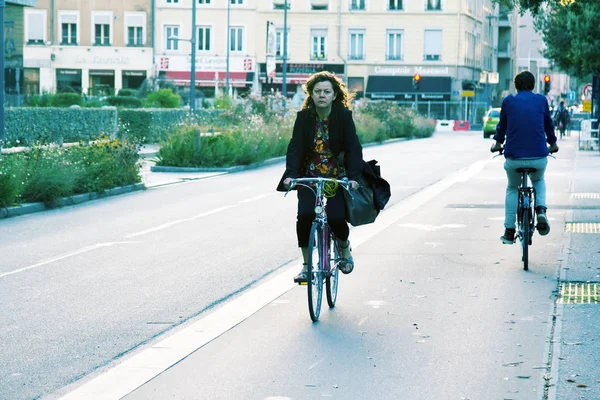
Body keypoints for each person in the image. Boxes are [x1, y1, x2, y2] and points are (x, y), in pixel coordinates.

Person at [276, 71, 362, 283]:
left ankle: (344, 247)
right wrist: (291, 176)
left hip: (335, 177)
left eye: (326, 91)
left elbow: (353, 148)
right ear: (311, 94)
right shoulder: (304, 118)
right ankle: (306, 266)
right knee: (305, 216)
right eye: (317, 91)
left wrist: (353, 177)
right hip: (309, 176)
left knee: (335, 217)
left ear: (334, 95)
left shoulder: (343, 116)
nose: (322, 95)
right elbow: (295, 148)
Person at [491, 70, 559, 244]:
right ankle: (541, 211)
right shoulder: (541, 101)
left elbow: (502, 127)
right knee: (538, 180)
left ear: (516, 85)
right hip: (538, 155)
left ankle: (509, 230)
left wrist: (497, 144)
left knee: (513, 187)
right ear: (533, 85)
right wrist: (553, 144)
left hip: (514, 157)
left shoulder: (508, 101)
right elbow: (548, 126)